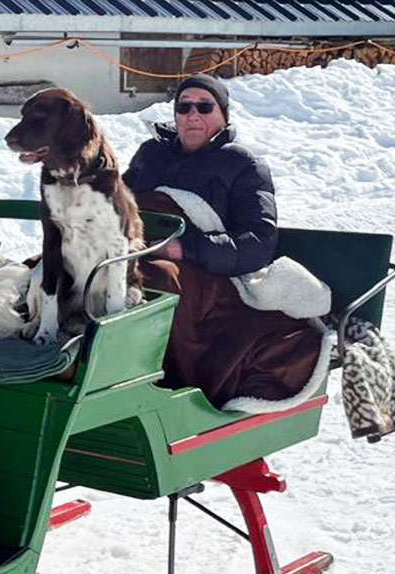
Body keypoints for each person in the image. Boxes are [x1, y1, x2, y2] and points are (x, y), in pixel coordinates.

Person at [122, 74, 324, 408]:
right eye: (184, 107)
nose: (193, 115)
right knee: (60, 267)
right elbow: (119, 205)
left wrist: (188, 248)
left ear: (223, 115)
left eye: (204, 106)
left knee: (157, 277)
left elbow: (258, 242)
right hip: (138, 250)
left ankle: (164, 385)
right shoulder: (151, 155)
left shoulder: (243, 165)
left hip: (208, 275)